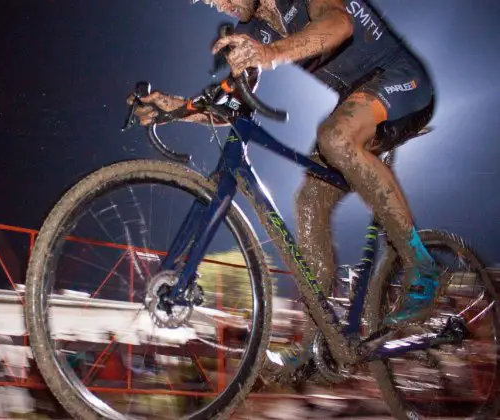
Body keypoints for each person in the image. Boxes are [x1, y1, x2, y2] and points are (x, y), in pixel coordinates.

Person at [129, 0, 439, 366]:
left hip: (402, 81)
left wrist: (270, 53)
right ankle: (316, 343)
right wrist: (175, 108)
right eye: (211, 1)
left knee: (335, 137)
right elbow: (229, 104)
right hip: (357, 103)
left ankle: (422, 266)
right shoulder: (252, 31)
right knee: (310, 201)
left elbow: (339, 24)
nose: (221, 5)